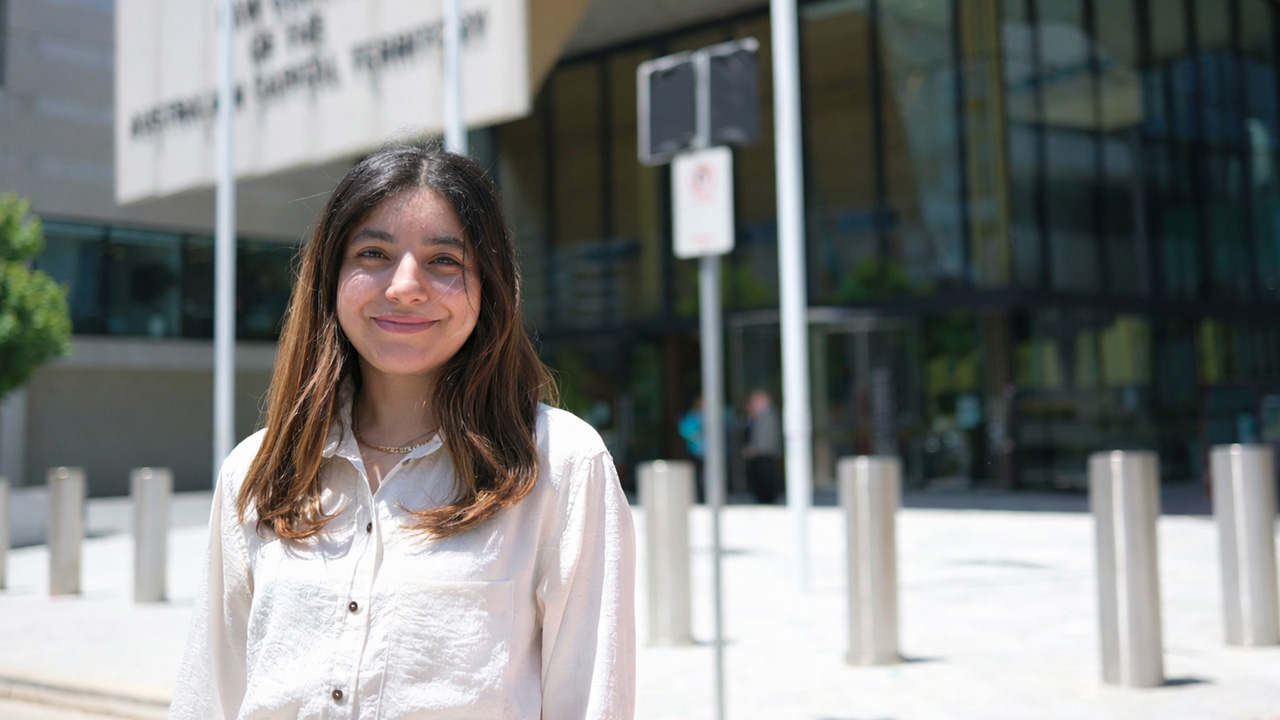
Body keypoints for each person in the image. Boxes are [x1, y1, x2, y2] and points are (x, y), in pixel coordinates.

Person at [170, 143, 636, 719]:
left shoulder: (560, 463)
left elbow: (591, 702)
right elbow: (209, 696)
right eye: (373, 252)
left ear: (488, 285)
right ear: (331, 278)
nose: (405, 285)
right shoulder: (258, 468)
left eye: (444, 260)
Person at [744, 388, 782, 504]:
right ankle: (762, 498)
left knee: (766, 477)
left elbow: (768, 435)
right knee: (759, 477)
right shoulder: (757, 416)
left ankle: (767, 499)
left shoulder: (770, 415)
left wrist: (757, 448)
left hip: (766, 452)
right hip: (760, 452)